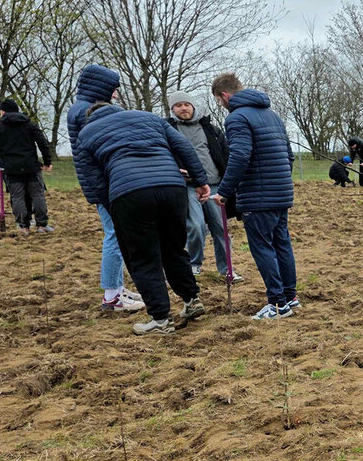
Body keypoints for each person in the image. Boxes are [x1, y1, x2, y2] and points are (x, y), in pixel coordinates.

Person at [73, 102, 210, 335]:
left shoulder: (86, 134)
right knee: (174, 248)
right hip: (171, 188)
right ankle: (191, 300)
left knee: (143, 257)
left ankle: (160, 319)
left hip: (130, 193)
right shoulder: (148, 118)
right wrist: (200, 180)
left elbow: (92, 179)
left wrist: (113, 206)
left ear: (91, 117)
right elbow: (183, 146)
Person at [211, 73, 299, 320]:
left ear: (225, 96)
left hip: (258, 196)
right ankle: (291, 296)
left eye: (219, 101)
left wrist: (225, 192)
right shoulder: (272, 116)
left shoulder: (237, 118)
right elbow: (288, 156)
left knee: (262, 247)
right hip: (281, 192)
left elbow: (240, 157)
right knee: (282, 243)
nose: (222, 105)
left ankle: (278, 304)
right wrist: (280, 181)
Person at [66, 65, 143, 312]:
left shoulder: (78, 109)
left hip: (101, 182)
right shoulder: (88, 111)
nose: (116, 94)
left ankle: (116, 287)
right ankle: (112, 296)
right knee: (115, 235)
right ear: (101, 87)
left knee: (117, 234)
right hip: (106, 183)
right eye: (114, 89)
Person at [167, 91, 242, 282]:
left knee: (220, 228)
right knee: (196, 226)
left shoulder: (210, 128)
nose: (183, 108)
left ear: (192, 106)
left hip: (215, 185)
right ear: (172, 109)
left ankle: (227, 269)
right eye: (178, 105)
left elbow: (225, 153)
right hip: (188, 187)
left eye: (186, 104)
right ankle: (194, 264)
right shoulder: (168, 130)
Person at [0, 99, 53, 234]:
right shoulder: (30, 124)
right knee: (38, 194)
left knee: (17, 196)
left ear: (3, 111)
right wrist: (47, 161)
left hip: (11, 169)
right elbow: (42, 143)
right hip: (31, 166)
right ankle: (42, 225)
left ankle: (23, 226)